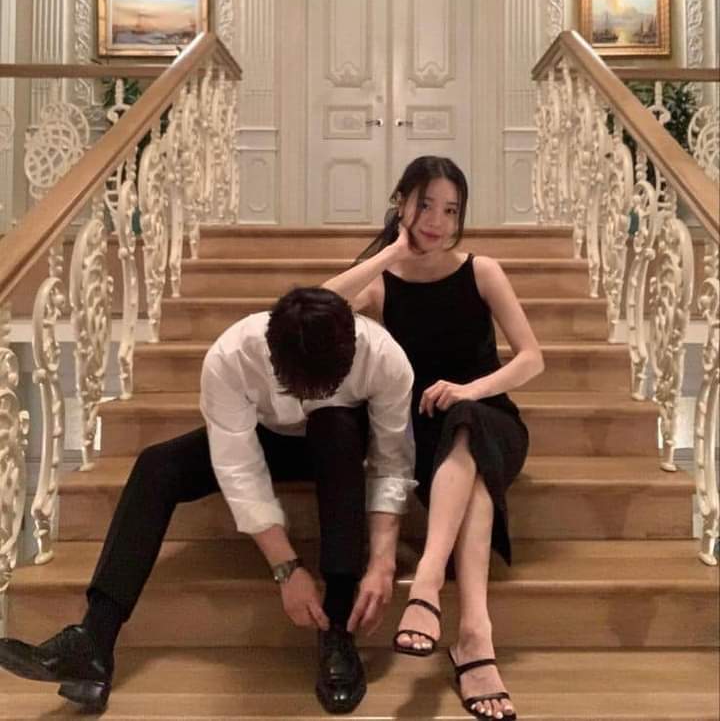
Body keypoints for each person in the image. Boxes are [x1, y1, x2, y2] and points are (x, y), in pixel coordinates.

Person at [0, 287, 416, 715]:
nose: (306, 398)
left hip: (339, 448)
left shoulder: (384, 358)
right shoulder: (233, 355)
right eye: (296, 387)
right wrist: (286, 567)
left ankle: (338, 629)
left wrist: (382, 563)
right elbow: (238, 466)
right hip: (267, 438)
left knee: (336, 427)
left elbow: (391, 465)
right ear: (273, 356)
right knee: (156, 466)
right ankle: (94, 641)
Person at [323, 156, 544, 721]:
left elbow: (531, 359)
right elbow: (318, 310)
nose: (438, 221)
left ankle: (426, 583)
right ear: (401, 203)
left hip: (493, 416)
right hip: (425, 434)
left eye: (451, 210)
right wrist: (392, 252)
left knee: (469, 422)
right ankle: (474, 637)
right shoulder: (382, 283)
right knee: (473, 473)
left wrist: (470, 389)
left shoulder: (482, 271)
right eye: (425, 205)